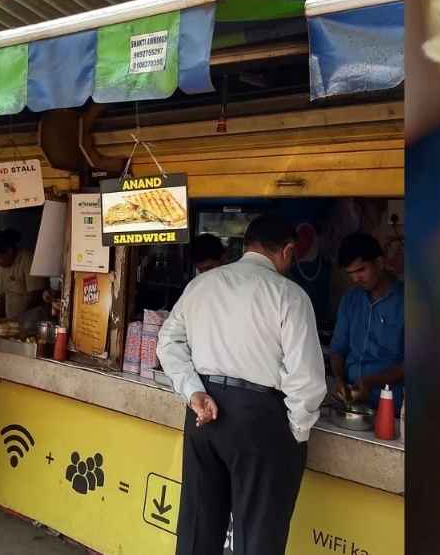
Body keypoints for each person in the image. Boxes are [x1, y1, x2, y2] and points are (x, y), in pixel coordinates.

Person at [156, 214, 326, 555]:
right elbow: (306, 380)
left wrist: (194, 391)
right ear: (288, 251)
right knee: (257, 536)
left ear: (245, 245)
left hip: (204, 412)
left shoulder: (201, 285)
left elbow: (168, 343)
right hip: (260, 418)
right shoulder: (289, 295)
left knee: (198, 526)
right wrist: (296, 432)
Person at [330, 233, 404, 412]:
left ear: (379, 263)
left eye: (361, 270)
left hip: (391, 404)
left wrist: (371, 382)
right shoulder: (350, 300)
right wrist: (339, 378)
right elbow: (338, 350)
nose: (356, 279)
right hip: (350, 403)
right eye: (350, 274)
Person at [0, 229, 47, 320]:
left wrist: (21, 318)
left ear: (9, 251)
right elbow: (1, 297)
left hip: (31, 322)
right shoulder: (0, 266)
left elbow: (36, 295)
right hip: (12, 321)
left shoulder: (28, 260)